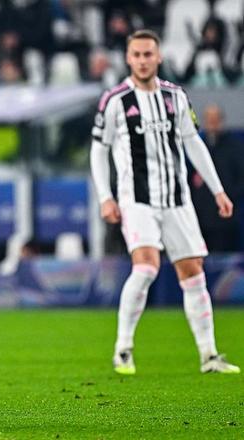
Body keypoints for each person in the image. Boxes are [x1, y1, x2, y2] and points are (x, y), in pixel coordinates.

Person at [90, 29, 240, 375]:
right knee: (146, 267)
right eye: (137, 55)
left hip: (177, 199)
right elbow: (99, 149)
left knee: (193, 272)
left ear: (158, 57)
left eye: (148, 54)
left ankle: (209, 355)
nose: (143, 60)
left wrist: (217, 190)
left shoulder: (176, 96)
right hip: (136, 199)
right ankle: (123, 349)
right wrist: (105, 197)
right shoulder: (115, 100)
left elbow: (193, 142)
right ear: (128, 59)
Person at [189, 104, 244, 252]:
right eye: (209, 119)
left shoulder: (235, 147)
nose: (212, 123)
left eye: (215, 119)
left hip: (226, 218)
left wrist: (230, 196)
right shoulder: (196, 147)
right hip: (199, 218)